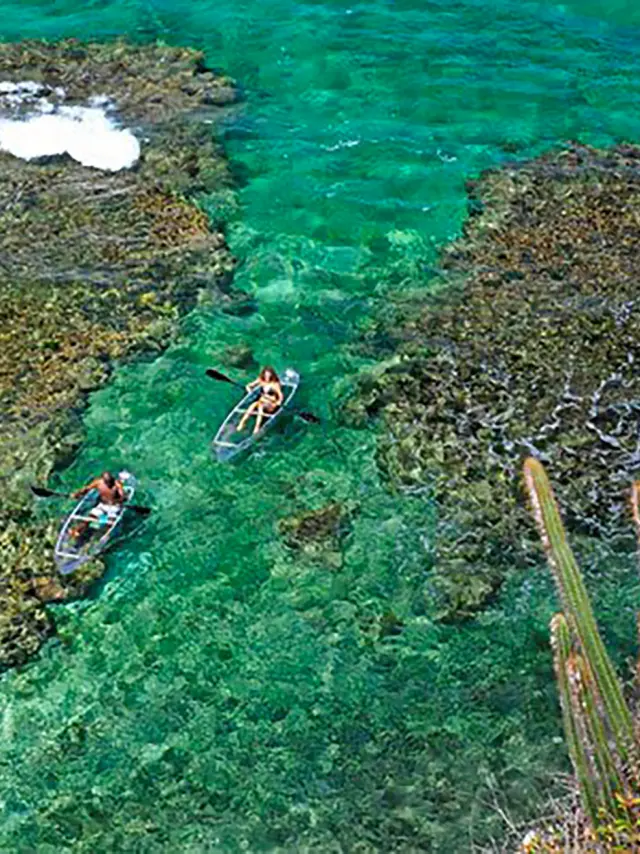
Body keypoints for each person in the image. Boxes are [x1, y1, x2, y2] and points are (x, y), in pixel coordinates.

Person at [70, 471, 125, 543]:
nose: (110, 484)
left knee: (109, 522)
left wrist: (116, 501)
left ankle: (102, 535)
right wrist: (77, 494)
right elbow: (86, 489)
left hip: (114, 507)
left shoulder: (117, 485)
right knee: (89, 518)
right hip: (102, 505)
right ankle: (78, 531)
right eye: (108, 482)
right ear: (104, 480)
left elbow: (123, 497)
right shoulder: (98, 483)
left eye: (110, 481)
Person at [237, 366, 284, 435]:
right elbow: (249, 385)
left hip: (271, 404)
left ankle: (257, 427)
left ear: (272, 375)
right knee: (252, 406)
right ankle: (242, 423)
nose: (267, 377)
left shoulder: (275, 384)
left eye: (269, 375)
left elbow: (280, 396)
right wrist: (249, 391)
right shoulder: (261, 381)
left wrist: (278, 402)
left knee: (260, 407)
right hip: (262, 402)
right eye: (266, 375)